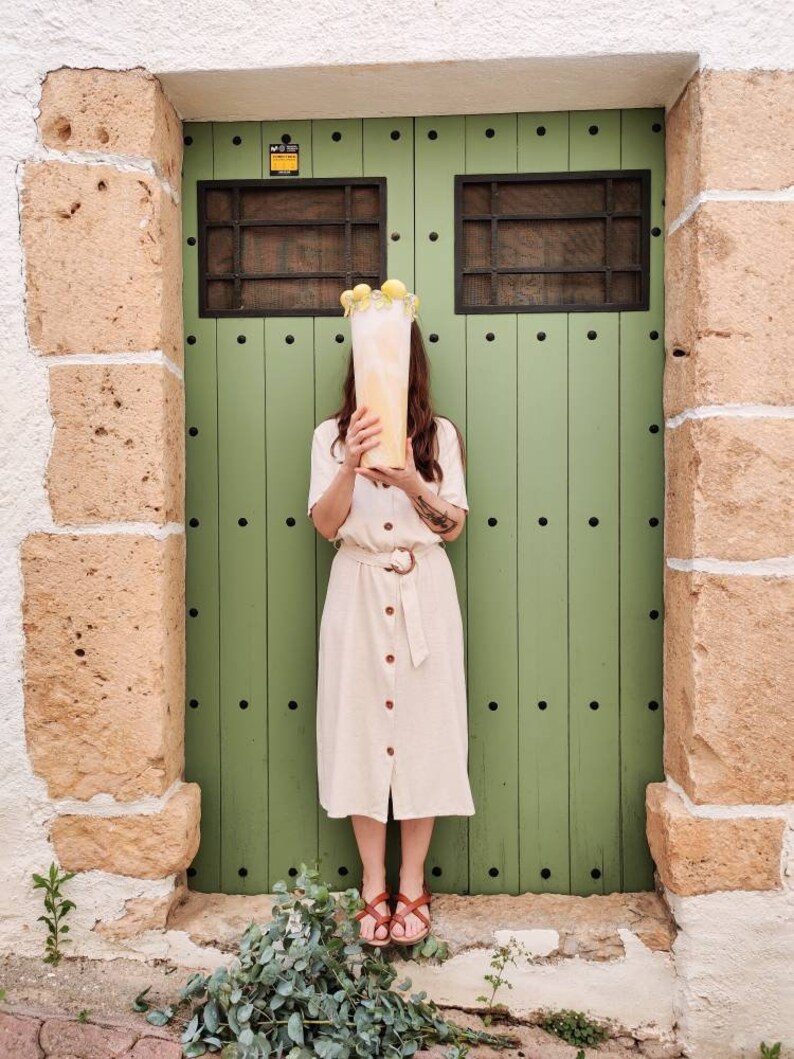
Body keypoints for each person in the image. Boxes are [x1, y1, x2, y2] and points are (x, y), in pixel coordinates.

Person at [307, 319, 475, 947]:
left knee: (425, 728)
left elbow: (450, 525)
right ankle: (373, 885)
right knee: (359, 727)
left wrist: (408, 476)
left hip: (421, 589)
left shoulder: (439, 437)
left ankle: (413, 881)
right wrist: (349, 465)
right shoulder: (330, 436)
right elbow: (325, 524)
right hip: (357, 588)